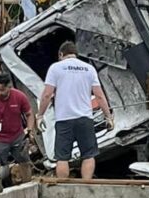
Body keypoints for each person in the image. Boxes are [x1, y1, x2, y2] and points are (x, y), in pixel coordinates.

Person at [37, 40, 111, 180]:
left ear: (61, 54)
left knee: (62, 157)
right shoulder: (89, 69)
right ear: (75, 54)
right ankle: (86, 184)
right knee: (88, 155)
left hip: (64, 120)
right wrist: (108, 116)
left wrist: (40, 115)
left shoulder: (56, 68)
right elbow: (99, 96)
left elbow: (47, 94)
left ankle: (64, 186)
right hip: (85, 119)